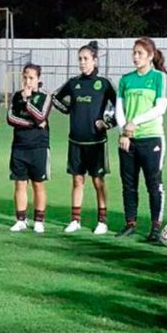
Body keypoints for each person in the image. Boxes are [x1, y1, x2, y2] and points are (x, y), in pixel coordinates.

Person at [53, 40, 117, 235]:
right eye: (80, 59)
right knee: (77, 181)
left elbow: (119, 108)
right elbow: (56, 98)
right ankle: (75, 219)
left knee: (98, 182)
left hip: (96, 142)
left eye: (86, 59)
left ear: (95, 61)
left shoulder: (104, 84)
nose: (82, 62)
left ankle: (102, 221)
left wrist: (108, 123)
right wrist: (69, 108)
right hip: (75, 142)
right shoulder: (74, 83)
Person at [115, 38, 167, 242]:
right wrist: (124, 132)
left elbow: (160, 108)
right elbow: (119, 110)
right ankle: (130, 224)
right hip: (128, 139)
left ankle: (156, 226)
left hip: (151, 138)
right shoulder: (125, 80)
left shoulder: (159, 78)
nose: (135, 57)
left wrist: (134, 122)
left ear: (150, 55)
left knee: (153, 184)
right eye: (134, 53)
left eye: (140, 53)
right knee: (129, 184)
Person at [6, 63, 51, 233]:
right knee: (20, 184)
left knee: (38, 184)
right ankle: (21, 219)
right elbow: (10, 118)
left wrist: (27, 102)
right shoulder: (16, 96)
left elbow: (41, 116)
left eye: (31, 78)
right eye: (25, 77)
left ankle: (39, 220)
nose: (27, 81)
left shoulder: (45, 97)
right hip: (19, 147)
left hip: (38, 146)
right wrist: (32, 123)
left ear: (38, 79)